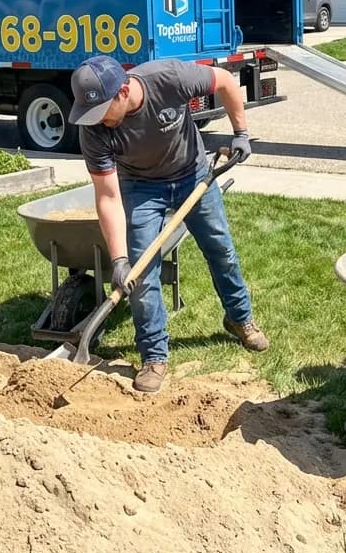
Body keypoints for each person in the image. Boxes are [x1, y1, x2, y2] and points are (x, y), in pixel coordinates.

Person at [70, 55, 269, 393]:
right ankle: (154, 355)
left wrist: (241, 133)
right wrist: (119, 260)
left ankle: (239, 318)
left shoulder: (170, 78)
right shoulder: (94, 131)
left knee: (221, 250)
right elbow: (107, 196)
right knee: (141, 273)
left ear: (121, 92)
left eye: (102, 109)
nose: (98, 120)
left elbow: (225, 80)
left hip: (193, 176)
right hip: (140, 188)